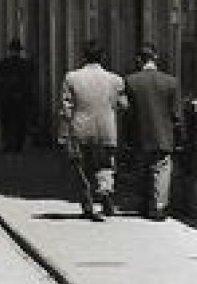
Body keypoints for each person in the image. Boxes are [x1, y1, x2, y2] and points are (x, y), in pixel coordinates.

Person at [60, 39, 128, 221]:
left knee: (81, 168)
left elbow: (67, 108)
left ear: (84, 56)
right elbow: (123, 105)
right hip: (106, 129)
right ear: (103, 57)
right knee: (105, 164)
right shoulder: (115, 80)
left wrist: (64, 134)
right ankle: (105, 190)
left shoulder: (71, 77)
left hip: (80, 128)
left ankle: (88, 204)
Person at [123, 44, 182, 221]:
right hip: (164, 135)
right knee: (161, 170)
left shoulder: (131, 80)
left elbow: (128, 113)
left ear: (139, 60)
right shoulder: (171, 82)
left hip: (140, 135)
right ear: (156, 59)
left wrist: (126, 137)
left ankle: (144, 203)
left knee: (142, 170)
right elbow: (177, 114)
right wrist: (180, 138)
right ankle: (158, 206)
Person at [0, 38, 35, 153]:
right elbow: (27, 82)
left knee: (7, 121)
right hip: (20, 97)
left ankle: (7, 143)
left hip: (7, 97)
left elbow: (1, 81)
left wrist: (0, 95)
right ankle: (18, 144)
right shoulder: (25, 64)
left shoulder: (3, 63)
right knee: (19, 121)